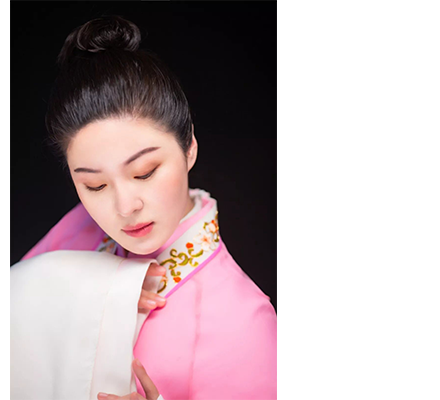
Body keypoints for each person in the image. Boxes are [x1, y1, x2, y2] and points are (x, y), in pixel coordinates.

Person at [21, 15, 276, 400]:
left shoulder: (245, 323)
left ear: (189, 147)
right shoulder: (78, 230)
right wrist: (79, 290)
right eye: (95, 185)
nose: (125, 207)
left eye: (145, 172)